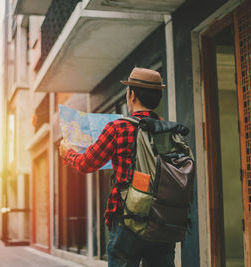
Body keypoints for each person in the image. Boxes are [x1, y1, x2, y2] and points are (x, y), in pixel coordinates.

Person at [59, 67, 175, 267]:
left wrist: (67, 153)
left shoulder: (119, 127)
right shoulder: (169, 130)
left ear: (131, 95)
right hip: (163, 219)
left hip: (127, 216)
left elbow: (86, 164)